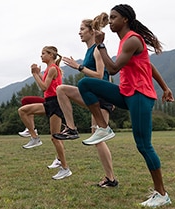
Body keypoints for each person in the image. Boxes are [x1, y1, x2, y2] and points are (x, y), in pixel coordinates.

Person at [77, 4, 174, 207]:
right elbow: (149, 65)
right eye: (110, 18)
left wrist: (100, 45)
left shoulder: (131, 40)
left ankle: (161, 193)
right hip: (126, 93)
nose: (110, 21)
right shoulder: (125, 42)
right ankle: (103, 127)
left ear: (125, 20)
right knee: (85, 84)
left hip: (140, 96)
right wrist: (165, 88)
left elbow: (112, 69)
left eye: (114, 18)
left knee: (144, 146)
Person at [52, 13, 118, 187]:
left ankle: (110, 178)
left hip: (101, 96)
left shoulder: (97, 49)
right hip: (93, 95)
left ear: (91, 31)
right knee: (61, 89)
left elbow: (100, 75)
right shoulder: (89, 50)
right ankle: (71, 128)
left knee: (98, 138)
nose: (79, 33)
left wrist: (78, 67)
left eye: (82, 29)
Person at [18, 46, 72, 180]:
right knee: (23, 110)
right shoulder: (50, 69)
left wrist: (35, 74)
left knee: (55, 137)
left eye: (43, 54)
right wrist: (39, 74)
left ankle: (65, 168)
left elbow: (44, 86)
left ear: (51, 55)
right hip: (49, 102)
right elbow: (46, 84)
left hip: (55, 103)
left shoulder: (53, 69)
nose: (41, 56)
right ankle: (34, 137)